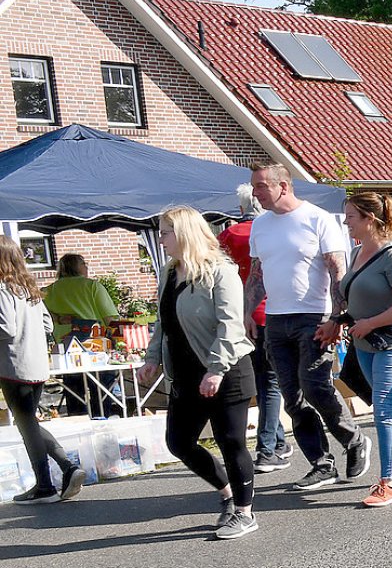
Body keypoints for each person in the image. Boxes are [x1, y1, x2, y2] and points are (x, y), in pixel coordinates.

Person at [246, 161, 370, 492]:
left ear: (283, 186)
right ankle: (321, 462)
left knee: (315, 387)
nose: (255, 192)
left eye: (261, 186)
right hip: (276, 318)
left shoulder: (317, 219)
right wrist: (247, 313)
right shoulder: (260, 225)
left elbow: (337, 272)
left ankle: (354, 439)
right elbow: (257, 274)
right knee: (291, 397)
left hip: (313, 315)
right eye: (255, 186)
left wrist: (336, 317)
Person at [135, 207, 256, 539]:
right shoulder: (170, 272)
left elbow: (230, 326)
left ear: (184, 233)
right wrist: (153, 357)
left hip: (226, 370)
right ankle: (227, 493)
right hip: (186, 373)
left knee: (230, 441)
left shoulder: (221, 271)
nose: (159, 239)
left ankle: (244, 513)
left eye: (164, 232)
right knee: (179, 442)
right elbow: (164, 321)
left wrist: (216, 369)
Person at [336, 192, 392, 508]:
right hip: (363, 341)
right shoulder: (356, 253)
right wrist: (341, 321)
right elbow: (357, 298)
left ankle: (388, 483)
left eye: (350, 216)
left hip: (391, 341)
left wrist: (370, 323)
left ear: (369, 219)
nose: (345, 221)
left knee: (384, 410)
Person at [0, 237, 84, 504]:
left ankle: (51, 480)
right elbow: (47, 324)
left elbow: (6, 328)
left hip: (14, 365)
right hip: (36, 364)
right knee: (30, 423)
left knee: (27, 426)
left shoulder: (2, 289)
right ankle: (61, 472)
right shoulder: (28, 288)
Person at [218, 185, 289, 474]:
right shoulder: (271, 232)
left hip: (239, 315)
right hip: (271, 311)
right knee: (270, 384)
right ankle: (266, 449)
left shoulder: (227, 235)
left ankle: (278, 443)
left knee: (261, 381)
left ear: (240, 209)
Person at [42, 253, 119, 417]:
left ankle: (78, 426)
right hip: (96, 349)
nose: (87, 267)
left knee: (74, 395)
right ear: (78, 267)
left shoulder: (47, 291)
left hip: (66, 352)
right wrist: (120, 342)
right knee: (102, 392)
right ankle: (102, 422)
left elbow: (42, 315)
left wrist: (59, 318)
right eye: (84, 263)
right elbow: (110, 319)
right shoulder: (92, 286)